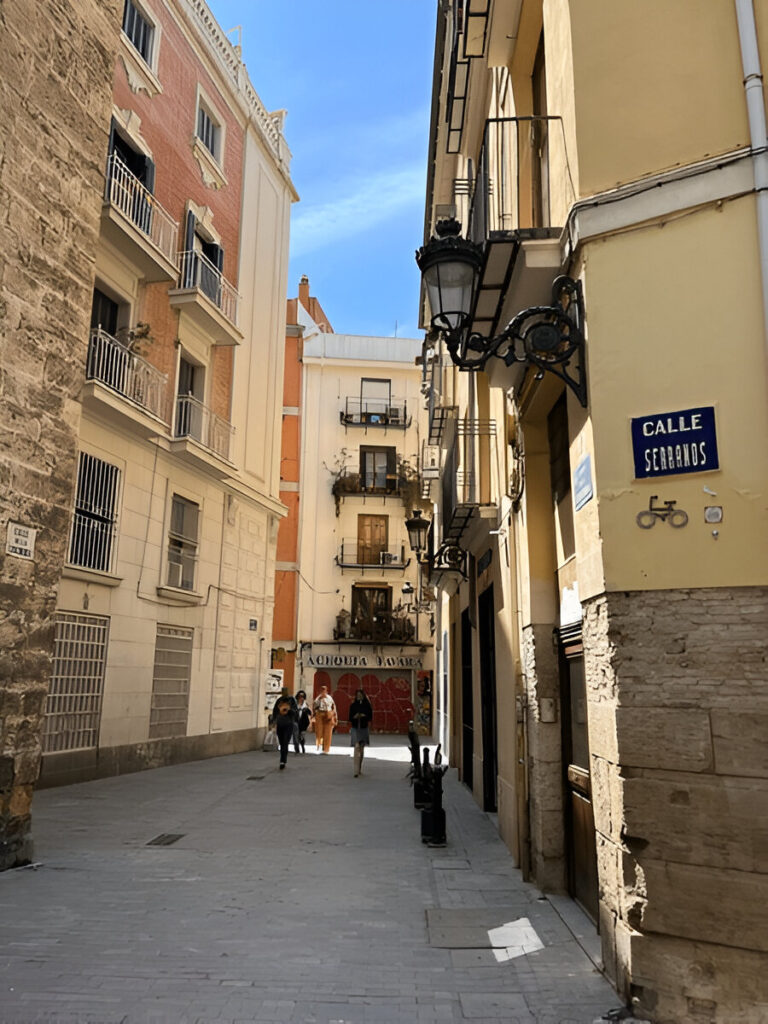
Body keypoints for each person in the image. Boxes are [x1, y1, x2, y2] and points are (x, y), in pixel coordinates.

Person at [271, 687, 298, 769]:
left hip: (288, 724)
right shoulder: (279, 700)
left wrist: (288, 710)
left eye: (285, 691)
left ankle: (282, 761)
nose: (284, 693)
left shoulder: (292, 700)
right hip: (280, 724)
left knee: (285, 742)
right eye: (283, 692)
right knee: (282, 742)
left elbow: (295, 711)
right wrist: (274, 722)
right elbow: (275, 711)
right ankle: (283, 759)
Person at [348, 688, 373, 777]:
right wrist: (355, 717)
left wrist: (363, 715)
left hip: (363, 728)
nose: (359, 696)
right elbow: (350, 717)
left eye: (360, 695)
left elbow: (370, 717)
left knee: (361, 749)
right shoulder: (353, 705)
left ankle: (359, 767)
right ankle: (355, 770)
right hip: (355, 728)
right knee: (356, 747)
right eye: (357, 695)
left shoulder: (367, 705)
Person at [312, 684, 337, 754]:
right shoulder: (318, 698)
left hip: (328, 715)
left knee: (327, 733)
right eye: (322, 690)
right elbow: (314, 707)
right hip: (320, 715)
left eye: (324, 690)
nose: (323, 692)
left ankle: (326, 749)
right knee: (319, 732)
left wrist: (334, 716)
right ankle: (319, 746)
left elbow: (333, 707)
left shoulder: (330, 698)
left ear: (326, 691)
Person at [294, 690, 312, 754]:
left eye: (302, 697)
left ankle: (302, 746)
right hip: (296, 722)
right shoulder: (295, 704)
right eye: (300, 697)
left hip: (303, 723)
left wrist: (306, 710)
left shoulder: (305, 704)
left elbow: (310, 713)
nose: (301, 698)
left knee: (302, 736)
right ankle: (297, 749)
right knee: (296, 736)